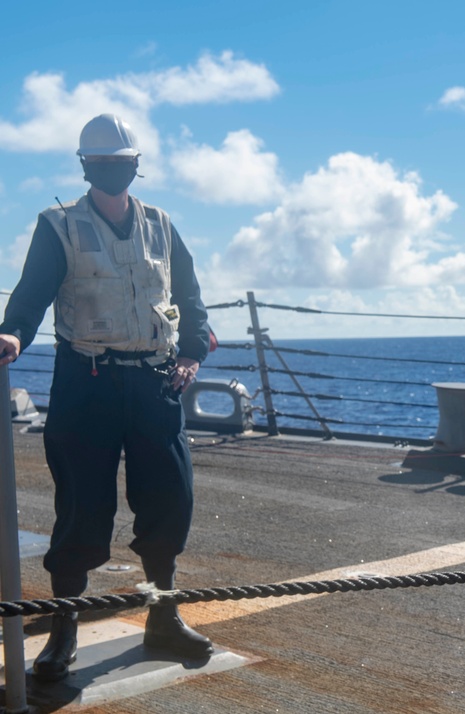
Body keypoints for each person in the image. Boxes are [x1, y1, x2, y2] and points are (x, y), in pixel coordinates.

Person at [0, 114, 214, 682]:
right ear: (85, 166)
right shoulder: (59, 225)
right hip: (86, 382)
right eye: (101, 163)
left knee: (170, 500)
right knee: (81, 509)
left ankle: (163, 617)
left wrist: (192, 353)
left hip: (154, 382)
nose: (111, 170)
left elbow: (189, 295)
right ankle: (64, 629)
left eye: (119, 162)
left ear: (136, 166)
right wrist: (13, 334)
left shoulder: (161, 225)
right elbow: (32, 292)